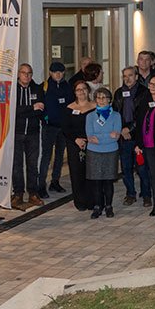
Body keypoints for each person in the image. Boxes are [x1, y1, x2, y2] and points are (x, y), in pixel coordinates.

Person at [114, 66, 151, 207]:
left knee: (142, 168)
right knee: (126, 168)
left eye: (130, 75)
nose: (127, 78)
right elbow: (115, 114)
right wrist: (122, 130)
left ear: (136, 76)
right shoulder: (118, 93)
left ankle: (146, 195)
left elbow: (143, 115)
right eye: (124, 76)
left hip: (139, 136)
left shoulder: (144, 92)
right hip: (123, 137)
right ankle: (130, 193)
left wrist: (129, 129)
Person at [85, 87, 122, 219]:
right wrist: (108, 136)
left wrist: (99, 137)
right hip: (94, 152)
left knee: (108, 181)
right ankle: (97, 206)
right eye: (98, 97)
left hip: (110, 151)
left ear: (109, 100)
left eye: (104, 97)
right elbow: (90, 136)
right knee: (96, 182)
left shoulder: (116, 116)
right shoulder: (90, 116)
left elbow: (116, 135)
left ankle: (108, 206)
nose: (101, 100)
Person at [11, 63, 44, 210]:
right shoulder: (13, 90)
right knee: (17, 166)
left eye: (29, 73)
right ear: (18, 74)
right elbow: (12, 111)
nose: (27, 76)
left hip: (33, 133)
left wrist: (26, 110)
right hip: (16, 133)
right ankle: (18, 193)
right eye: (24, 73)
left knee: (32, 165)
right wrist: (31, 108)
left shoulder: (37, 89)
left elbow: (41, 110)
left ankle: (33, 193)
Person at [135, 75, 155, 216]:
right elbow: (139, 123)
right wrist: (138, 144)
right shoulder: (144, 100)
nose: (153, 86)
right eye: (151, 84)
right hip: (147, 144)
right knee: (153, 175)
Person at [62, 80, 96, 212]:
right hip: (74, 144)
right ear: (75, 92)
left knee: (91, 172)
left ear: (88, 91)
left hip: (92, 144)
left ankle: (92, 200)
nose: (81, 92)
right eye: (78, 89)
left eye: (83, 89)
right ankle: (80, 201)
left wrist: (89, 139)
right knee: (77, 173)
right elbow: (65, 128)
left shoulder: (95, 106)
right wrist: (76, 139)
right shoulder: (69, 108)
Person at [40, 62, 71, 195]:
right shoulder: (44, 87)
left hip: (63, 127)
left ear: (64, 72)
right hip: (49, 127)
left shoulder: (68, 87)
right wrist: (45, 118)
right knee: (46, 156)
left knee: (59, 156)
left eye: (60, 72)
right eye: (55, 72)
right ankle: (41, 185)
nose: (58, 74)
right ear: (50, 73)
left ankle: (55, 182)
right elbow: (40, 105)